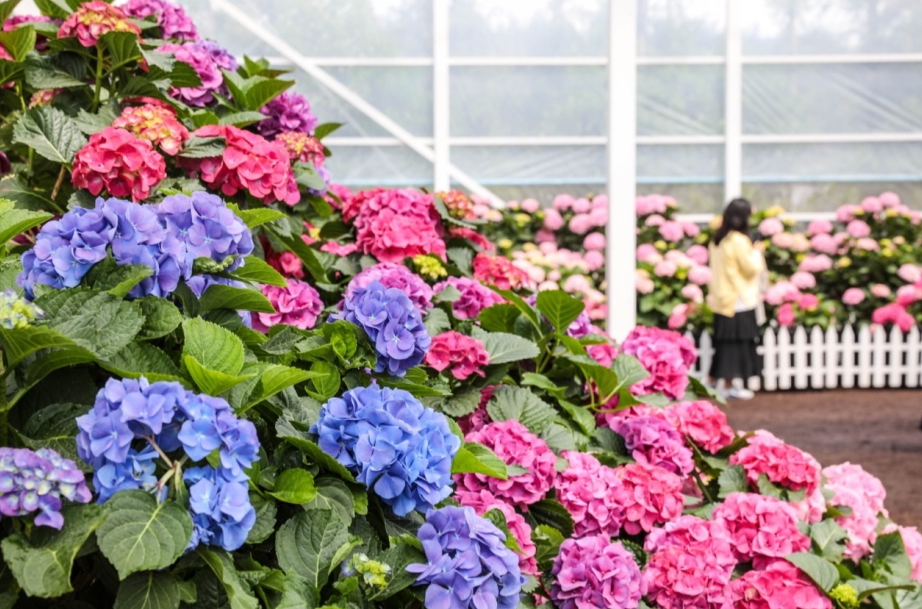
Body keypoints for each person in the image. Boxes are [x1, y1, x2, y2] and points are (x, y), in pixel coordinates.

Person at [707, 198, 765, 400]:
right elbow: (752, 268)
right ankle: (728, 385)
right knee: (736, 344)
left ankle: (713, 381)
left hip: (722, 297)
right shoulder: (738, 240)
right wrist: (757, 252)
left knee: (723, 343)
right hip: (738, 298)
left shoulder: (717, 239)